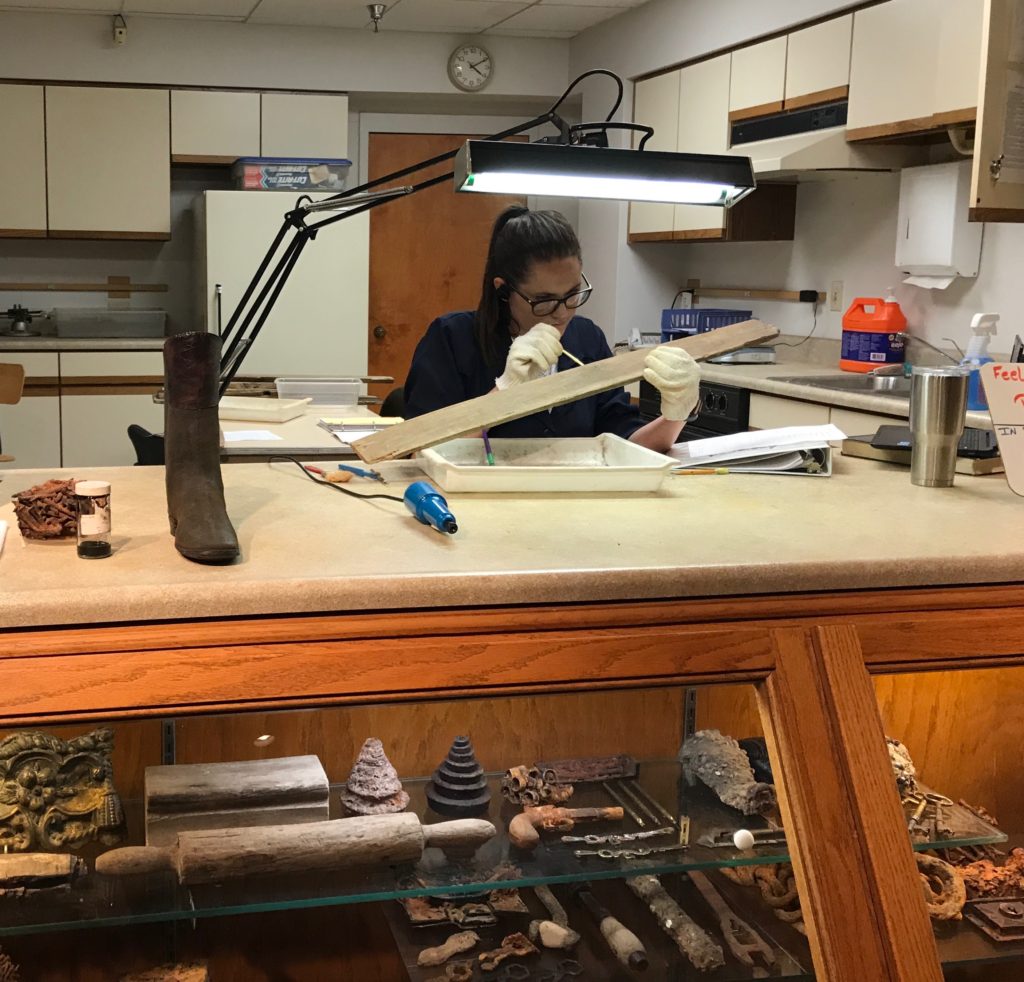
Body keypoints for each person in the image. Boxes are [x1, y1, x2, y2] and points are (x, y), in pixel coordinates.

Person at [404, 206, 700, 453]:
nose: (562, 313)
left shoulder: (587, 339)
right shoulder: (451, 339)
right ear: (503, 290)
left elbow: (627, 446)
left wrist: (678, 414)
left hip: (574, 502)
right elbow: (420, 453)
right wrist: (505, 391)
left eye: (572, 294)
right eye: (543, 300)